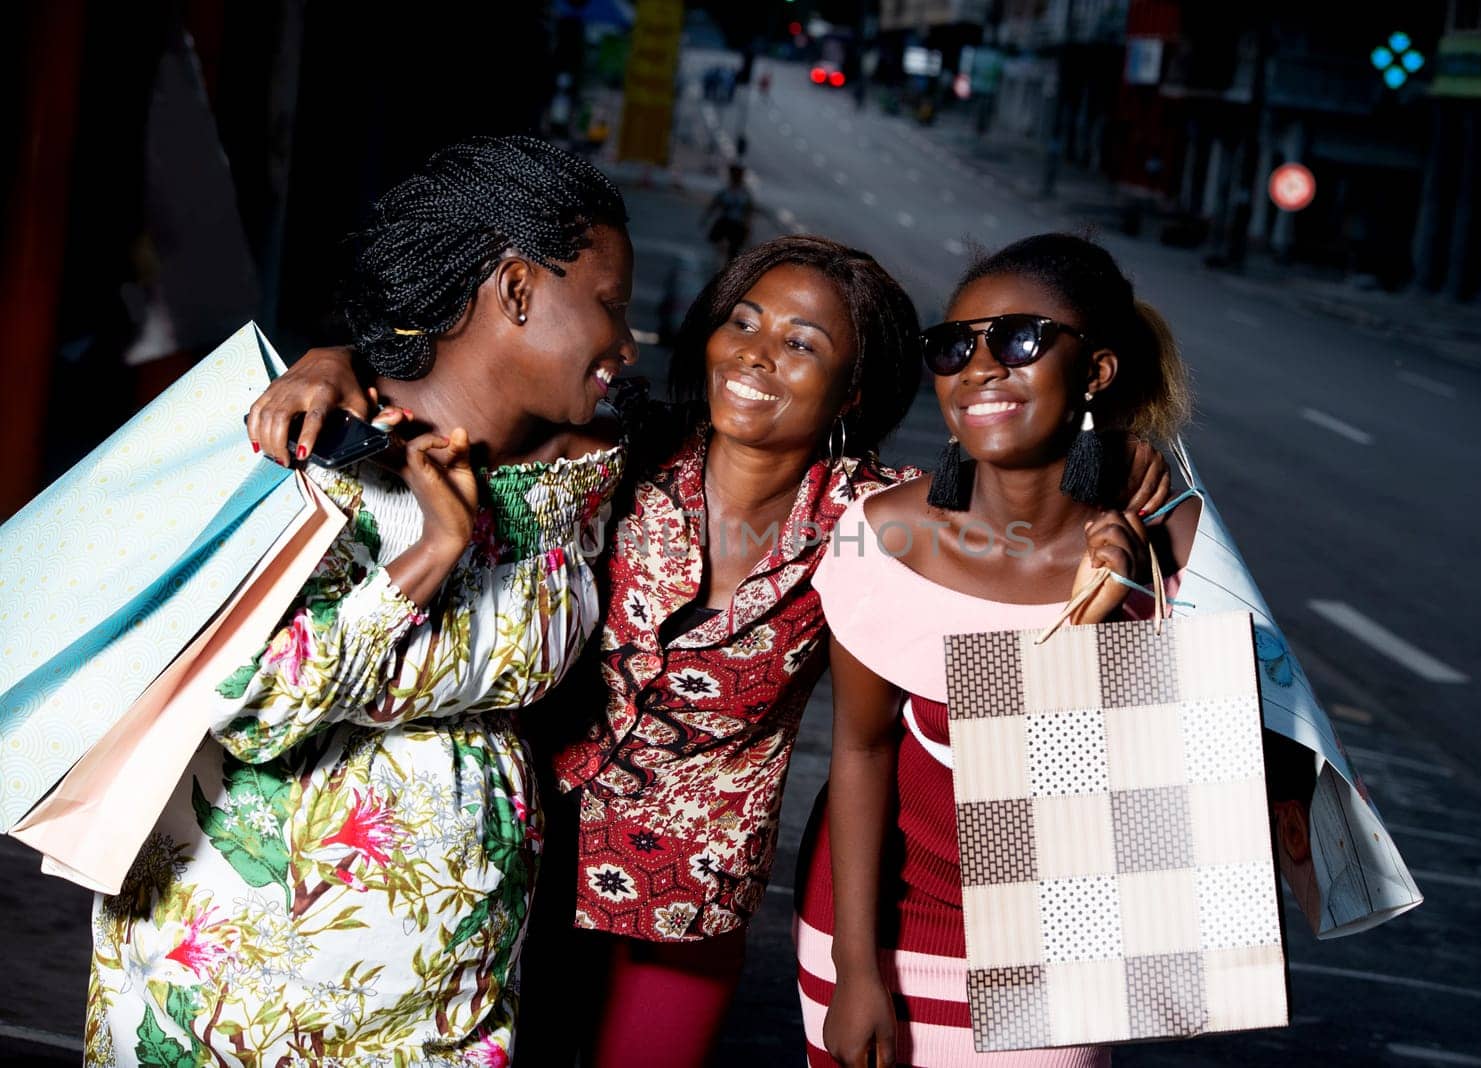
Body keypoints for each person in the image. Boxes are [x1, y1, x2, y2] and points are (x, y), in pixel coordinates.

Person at [248, 234, 1169, 1068]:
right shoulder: (615, 452)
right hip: (518, 865)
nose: (759, 355)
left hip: (687, 911)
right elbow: (437, 393)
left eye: (803, 344)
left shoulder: (866, 521)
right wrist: (331, 361)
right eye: (744, 322)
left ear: (851, 392)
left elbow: (1023, 490)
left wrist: (1121, 469)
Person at [85, 136, 635, 1066]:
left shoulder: (578, 478)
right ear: (515, 291)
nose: (625, 342)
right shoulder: (309, 453)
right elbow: (247, 709)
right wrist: (432, 553)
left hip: (450, 989)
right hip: (239, 983)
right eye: (610, 307)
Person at [796, 233, 1192, 1068]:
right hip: (874, 939)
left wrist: (1101, 620)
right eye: (953, 346)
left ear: (1097, 371)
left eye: (1018, 339)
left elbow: (1177, 793)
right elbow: (862, 753)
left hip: (1062, 951)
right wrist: (854, 969)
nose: (978, 366)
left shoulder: (1174, 546)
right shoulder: (886, 537)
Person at [704, 164, 755, 265]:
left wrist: (748, 226)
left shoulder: (744, 193)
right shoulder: (726, 191)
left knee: (734, 251)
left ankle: (728, 266)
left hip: (737, 225)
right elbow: (715, 204)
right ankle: (720, 257)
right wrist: (706, 217)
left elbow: (749, 211)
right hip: (726, 222)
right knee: (717, 241)